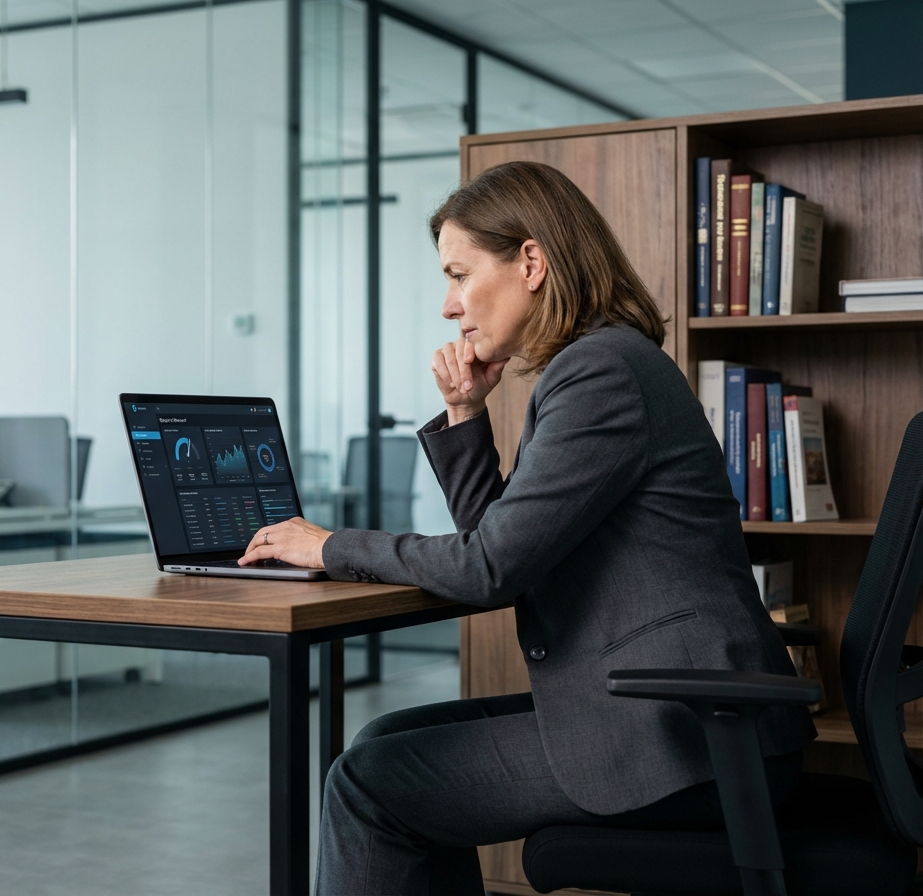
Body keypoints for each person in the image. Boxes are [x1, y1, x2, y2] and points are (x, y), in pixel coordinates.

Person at [239, 160, 816, 895]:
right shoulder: (603, 364)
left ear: (532, 262)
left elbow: (491, 565)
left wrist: (328, 547)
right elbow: (510, 550)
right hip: (691, 718)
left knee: (371, 783)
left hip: (690, 739)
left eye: (458, 273)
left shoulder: (599, 372)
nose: (449, 305)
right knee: (388, 742)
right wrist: (465, 415)